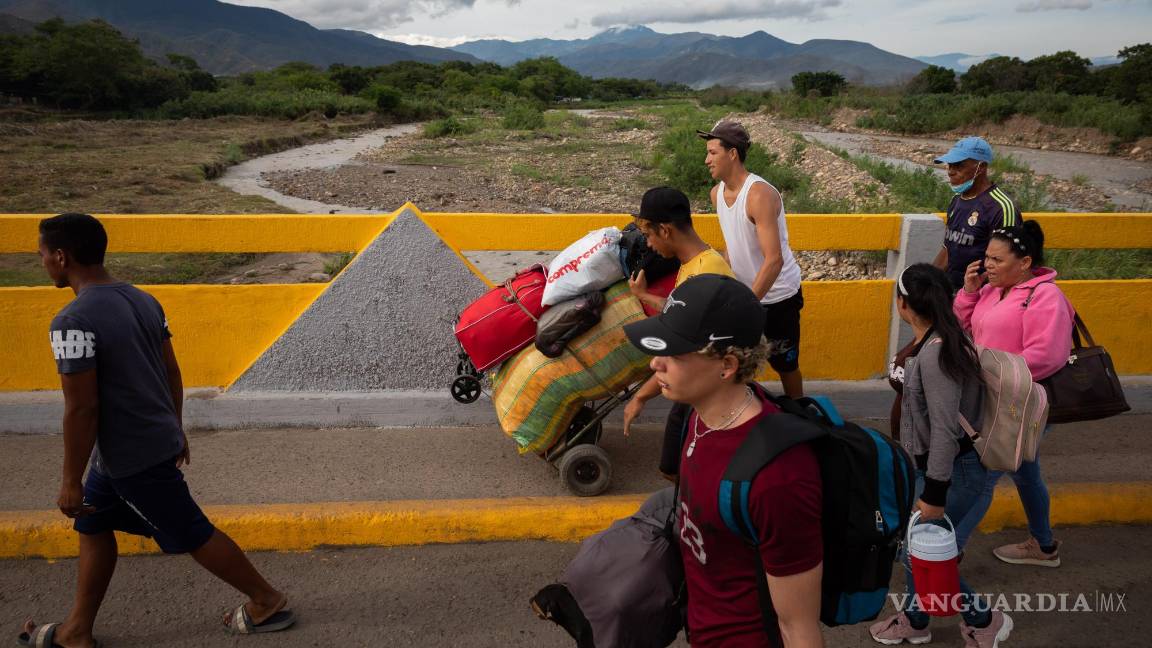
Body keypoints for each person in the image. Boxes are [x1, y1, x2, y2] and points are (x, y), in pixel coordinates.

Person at [19, 213, 296, 648]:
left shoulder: (71, 322)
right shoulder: (143, 298)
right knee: (93, 525)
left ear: (60, 256)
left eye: (40, 255)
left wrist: (69, 479)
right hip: (131, 449)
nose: (41, 263)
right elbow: (171, 370)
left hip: (132, 455)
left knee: (191, 531)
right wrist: (175, 426)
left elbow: (82, 408)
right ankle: (77, 630)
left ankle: (266, 599)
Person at [624, 274, 824, 648]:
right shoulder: (696, 415)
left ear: (727, 365)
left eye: (675, 354)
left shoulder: (779, 476)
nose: (655, 364)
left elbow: (799, 627)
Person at [869, 264, 1013, 648]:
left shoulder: (936, 355)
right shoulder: (941, 339)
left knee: (920, 556)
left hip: (950, 473)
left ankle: (984, 618)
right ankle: (916, 620)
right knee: (920, 551)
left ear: (904, 305)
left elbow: (946, 431)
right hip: (939, 468)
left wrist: (934, 493)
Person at [952, 221, 1074, 567]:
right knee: (1025, 472)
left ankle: (948, 551)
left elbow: (1047, 356)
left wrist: (992, 374)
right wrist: (969, 292)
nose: (987, 265)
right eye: (986, 257)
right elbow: (960, 326)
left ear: (1024, 262)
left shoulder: (1046, 297)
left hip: (1020, 404)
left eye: (997, 259)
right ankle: (1044, 545)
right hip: (989, 399)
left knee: (984, 474)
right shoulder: (991, 290)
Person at [622, 187, 735, 479]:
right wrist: (644, 295)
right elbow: (679, 311)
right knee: (673, 466)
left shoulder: (705, 273)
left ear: (665, 230)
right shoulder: (694, 264)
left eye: (648, 235)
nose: (647, 243)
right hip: (697, 384)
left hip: (707, 388)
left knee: (684, 471)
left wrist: (641, 397)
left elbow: (680, 349)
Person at [699, 121, 805, 398]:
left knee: (786, 364)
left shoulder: (759, 195)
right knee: (735, 363)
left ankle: (802, 416)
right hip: (747, 296)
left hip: (779, 297)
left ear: (732, 154)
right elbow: (733, 246)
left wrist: (746, 305)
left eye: (712, 152)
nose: (706, 159)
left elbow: (774, 261)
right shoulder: (717, 194)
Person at [931, 136, 1021, 292]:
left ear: (981, 167)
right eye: (950, 165)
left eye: (959, 166)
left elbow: (1009, 263)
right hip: (954, 293)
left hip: (982, 296)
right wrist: (928, 279)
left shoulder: (1000, 207)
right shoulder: (956, 200)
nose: (951, 172)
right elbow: (948, 249)